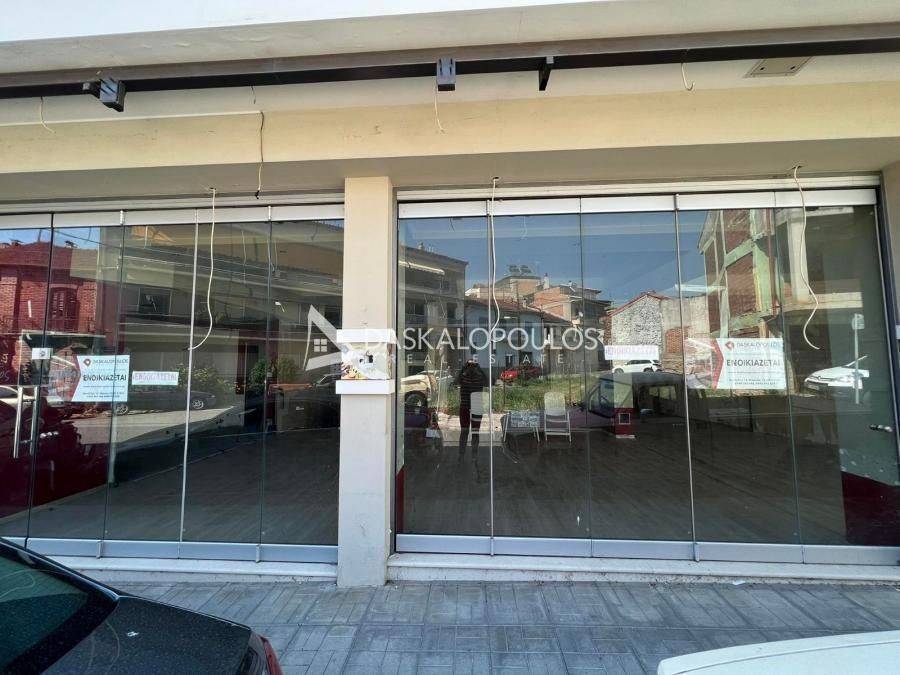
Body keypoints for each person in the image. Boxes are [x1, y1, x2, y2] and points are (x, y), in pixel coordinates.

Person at [456, 357, 488, 459]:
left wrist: (465, 367)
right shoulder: (475, 378)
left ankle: (466, 455)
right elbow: (488, 381)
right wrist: (478, 368)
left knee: (468, 432)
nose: (471, 368)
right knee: (470, 432)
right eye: (470, 365)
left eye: (472, 366)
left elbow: (489, 382)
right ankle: (469, 455)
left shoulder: (466, 378)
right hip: (472, 407)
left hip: (468, 407)